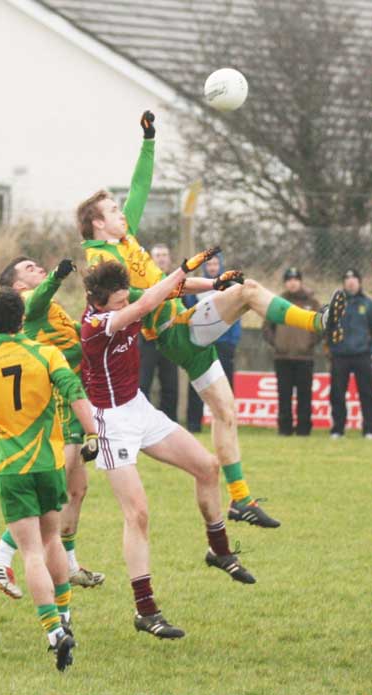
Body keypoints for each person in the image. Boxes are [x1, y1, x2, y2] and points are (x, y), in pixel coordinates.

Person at [78, 110, 346, 528]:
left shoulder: (124, 237)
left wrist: (149, 141)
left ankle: (239, 499)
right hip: (173, 330)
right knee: (249, 291)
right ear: (97, 223)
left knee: (226, 411)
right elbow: (141, 297)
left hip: (182, 327)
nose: (121, 212)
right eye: (113, 210)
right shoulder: (101, 258)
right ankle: (318, 322)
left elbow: (140, 186)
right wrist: (203, 281)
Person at [81, 259, 256, 640]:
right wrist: (179, 268)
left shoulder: (122, 301)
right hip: (112, 425)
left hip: (139, 408)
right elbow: (144, 306)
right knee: (138, 514)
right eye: (117, 302)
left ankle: (220, 550)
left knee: (207, 467)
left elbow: (165, 292)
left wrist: (213, 283)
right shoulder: (95, 325)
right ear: (96, 301)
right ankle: (146, 609)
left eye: (125, 298)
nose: (123, 305)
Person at [0, 289, 99, 670]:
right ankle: (66, 614)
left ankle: (55, 632)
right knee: (53, 537)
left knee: (31, 554)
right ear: (22, 318)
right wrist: (92, 434)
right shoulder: (46, 353)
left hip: (11, 468)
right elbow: (74, 391)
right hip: (49, 462)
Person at [0, 257, 105, 598]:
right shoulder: (28, 305)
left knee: (77, 489)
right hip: (59, 399)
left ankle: (71, 561)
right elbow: (39, 295)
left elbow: (74, 337)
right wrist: (58, 274)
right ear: (18, 287)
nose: (39, 270)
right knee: (58, 482)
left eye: (40, 267)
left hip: (77, 388)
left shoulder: (51, 306)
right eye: (30, 268)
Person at [183, 251, 242, 432]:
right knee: (197, 384)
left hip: (223, 343)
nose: (212, 267)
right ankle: (194, 424)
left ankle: (228, 421)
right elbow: (187, 314)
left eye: (215, 264)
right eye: (209, 265)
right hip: (201, 343)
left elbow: (237, 316)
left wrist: (232, 341)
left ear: (221, 265)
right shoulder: (196, 289)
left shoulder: (230, 287)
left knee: (225, 385)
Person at [262, 268, 320, 436]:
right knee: (284, 395)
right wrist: (277, 343)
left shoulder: (312, 302)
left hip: (304, 358)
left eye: (295, 279)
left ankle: (304, 429)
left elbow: (320, 327)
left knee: (304, 396)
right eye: (289, 279)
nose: (292, 282)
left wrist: (309, 343)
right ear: (285, 283)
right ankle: (284, 429)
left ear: (300, 281)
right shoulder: (278, 303)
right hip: (282, 357)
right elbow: (267, 327)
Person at [328, 268, 372, 439]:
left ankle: (369, 429)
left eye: (354, 277)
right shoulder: (337, 303)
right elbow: (328, 328)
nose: (350, 281)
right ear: (343, 283)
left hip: (362, 355)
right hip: (340, 355)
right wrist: (331, 348)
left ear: (359, 281)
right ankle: (338, 429)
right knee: (337, 393)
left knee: (367, 392)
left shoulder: (367, 304)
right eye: (347, 278)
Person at [139, 243, 178, 420]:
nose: (162, 259)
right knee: (143, 384)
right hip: (147, 339)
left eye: (164, 255)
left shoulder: (179, 282)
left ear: (169, 260)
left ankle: (170, 423)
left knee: (170, 386)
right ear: (151, 260)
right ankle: (142, 422)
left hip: (170, 340)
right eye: (158, 255)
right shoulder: (142, 281)